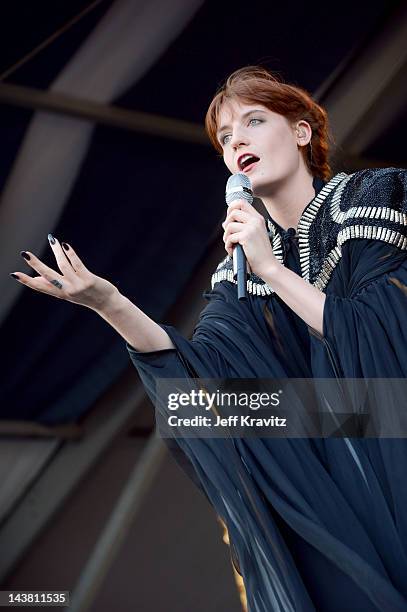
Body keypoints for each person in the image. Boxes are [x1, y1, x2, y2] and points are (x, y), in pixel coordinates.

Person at [11, 66, 407, 611]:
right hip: (332, 470)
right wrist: (109, 302)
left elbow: (381, 338)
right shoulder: (238, 270)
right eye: (225, 137)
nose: (236, 140)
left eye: (254, 121)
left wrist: (272, 270)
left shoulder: (368, 195)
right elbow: (202, 383)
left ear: (301, 132)